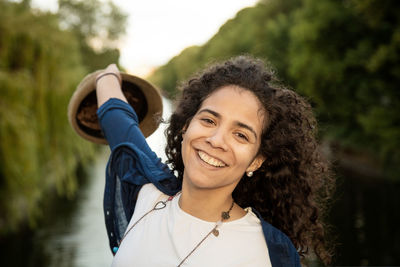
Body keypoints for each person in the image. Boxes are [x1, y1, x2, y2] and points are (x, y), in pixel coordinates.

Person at [95, 56, 334, 266]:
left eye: (241, 135)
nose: (216, 140)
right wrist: (107, 75)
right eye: (209, 120)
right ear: (187, 126)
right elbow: (116, 116)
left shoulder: (268, 254)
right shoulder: (147, 191)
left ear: (256, 161)